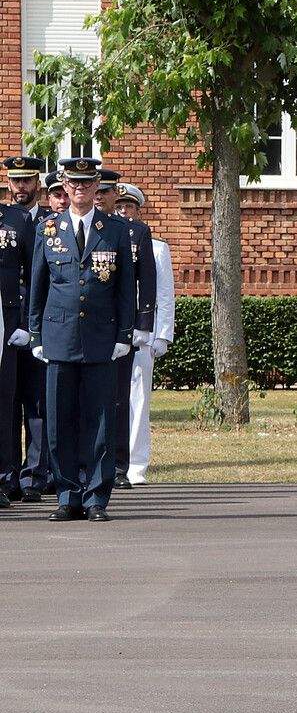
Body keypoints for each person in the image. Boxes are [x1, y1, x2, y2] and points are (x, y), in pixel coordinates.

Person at [29, 157, 136, 522]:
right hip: (58, 336)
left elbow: (125, 290)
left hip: (100, 338)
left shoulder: (116, 230)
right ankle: (66, 495)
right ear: (63, 185)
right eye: (73, 183)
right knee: (59, 420)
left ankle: (95, 499)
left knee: (101, 420)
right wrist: (36, 333)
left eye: (87, 183)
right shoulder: (48, 229)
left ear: (96, 188)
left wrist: (124, 334)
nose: (79, 189)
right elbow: (38, 287)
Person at [95, 170, 155, 489]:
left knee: (118, 398)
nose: (103, 197)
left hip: (119, 326)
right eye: (99, 191)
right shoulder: (76, 227)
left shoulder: (134, 232)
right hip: (87, 325)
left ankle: (119, 465)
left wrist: (142, 326)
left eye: (108, 192)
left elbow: (147, 281)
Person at [117, 184, 174, 485]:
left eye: (129, 206)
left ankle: (136, 465)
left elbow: (163, 294)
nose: (124, 211)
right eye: (120, 206)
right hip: (115, 333)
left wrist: (161, 334)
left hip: (143, 335)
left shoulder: (155, 247)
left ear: (139, 210)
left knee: (138, 401)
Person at [6, 158, 50, 504]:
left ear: (38, 184)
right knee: (7, 401)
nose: (21, 187)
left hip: (34, 324)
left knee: (36, 402)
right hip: (7, 323)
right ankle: (8, 474)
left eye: (27, 181)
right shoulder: (6, 221)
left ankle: (34, 474)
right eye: (15, 181)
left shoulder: (50, 222)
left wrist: (34, 326)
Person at [0, 159, 39, 508]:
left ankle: (4, 478)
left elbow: (33, 275)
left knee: (6, 402)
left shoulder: (16, 220)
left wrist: (26, 324)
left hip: (6, 323)